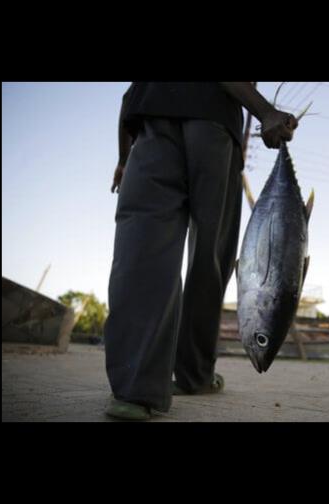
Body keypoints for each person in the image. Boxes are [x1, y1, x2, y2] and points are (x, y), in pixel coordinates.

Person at [104, 82, 298, 420]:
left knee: (142, 250)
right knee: (209, 257)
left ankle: (134, 390)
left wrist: (123, 159)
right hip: (213, 123)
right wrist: (265, 111)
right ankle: (194, 375)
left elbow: (128, 97)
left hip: (151, 123)